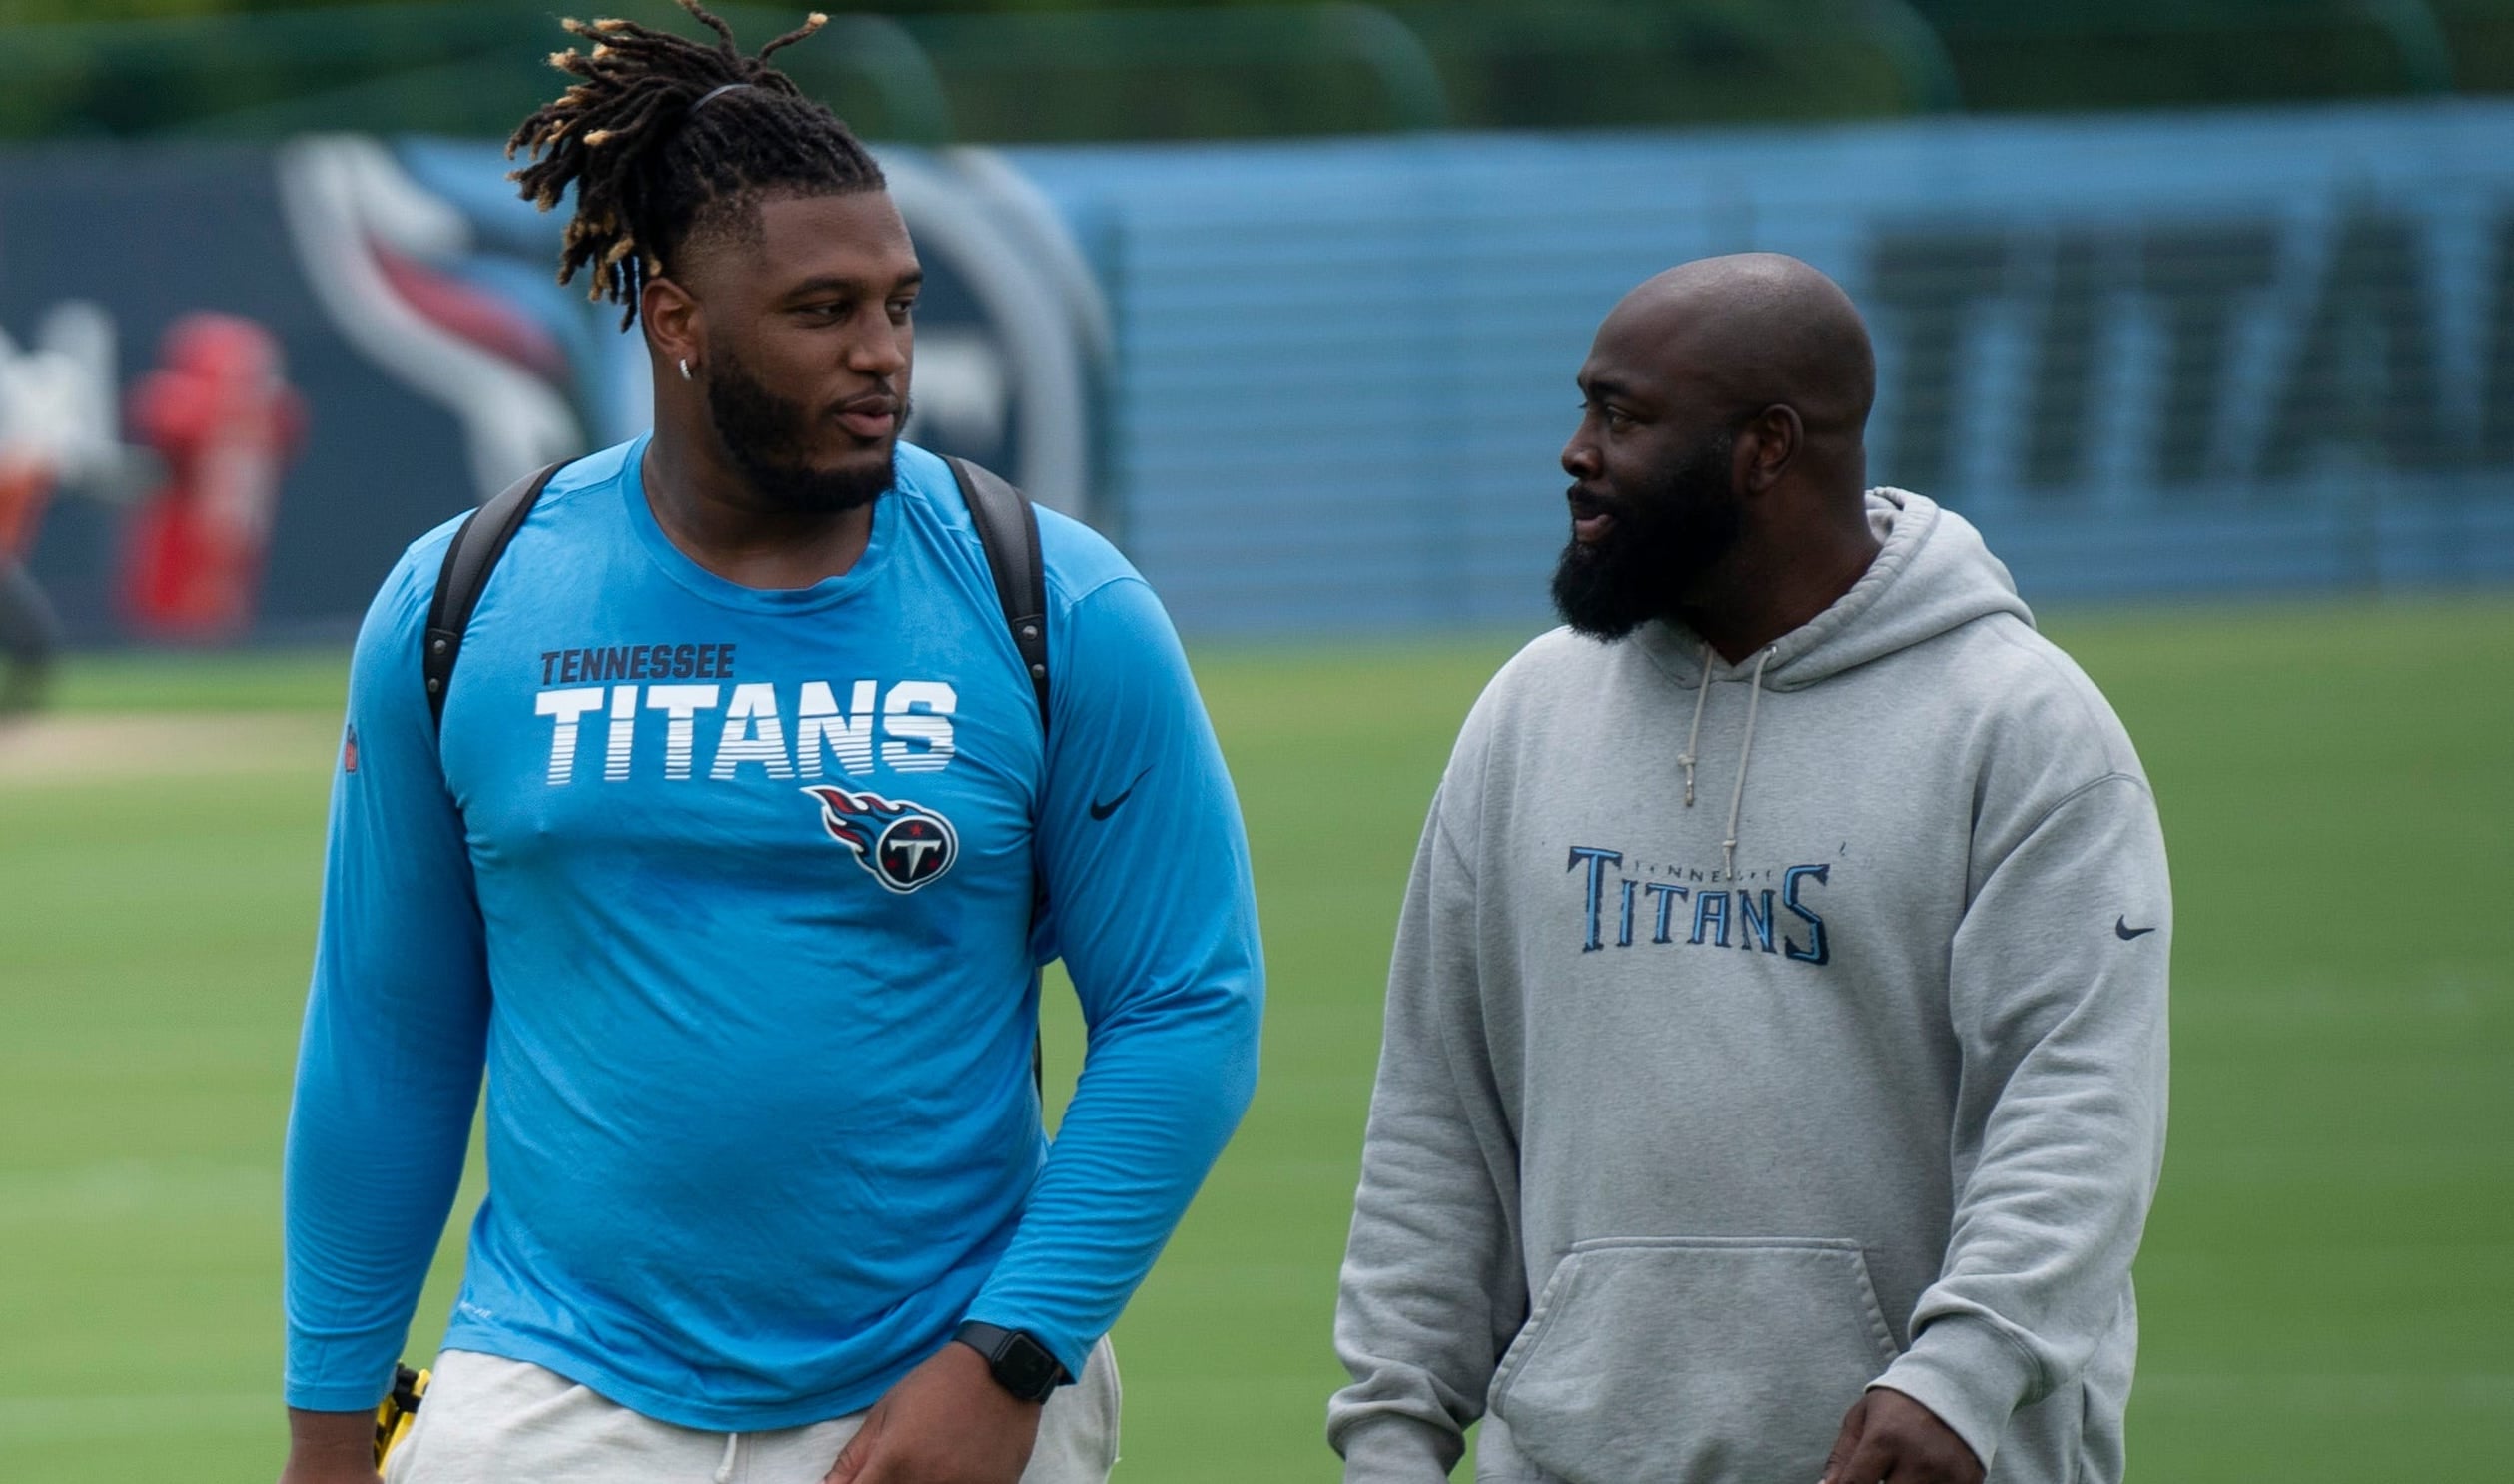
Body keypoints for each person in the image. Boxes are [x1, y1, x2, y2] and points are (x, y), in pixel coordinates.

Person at [279, 7, 1262, 1483]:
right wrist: (327, 1432)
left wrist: (1011, 1355)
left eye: (902, 305)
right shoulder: (461, 601)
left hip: (945, 1385)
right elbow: (386, 1034)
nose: (884, 357)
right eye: (823, 312)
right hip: (555, 1393)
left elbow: (1188, 1003)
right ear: (676, 320)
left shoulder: (1054, 603)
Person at [1327, 254, 2169, 1484]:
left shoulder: (2020, 729)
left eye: (1623, 417)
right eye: (1583, 409)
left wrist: (1959, 1376)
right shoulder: (1527, 714)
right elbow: (1437, 1120)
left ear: (1766, 448)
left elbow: (2076, 1108)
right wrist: (1394, 1434)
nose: (1576, 452)